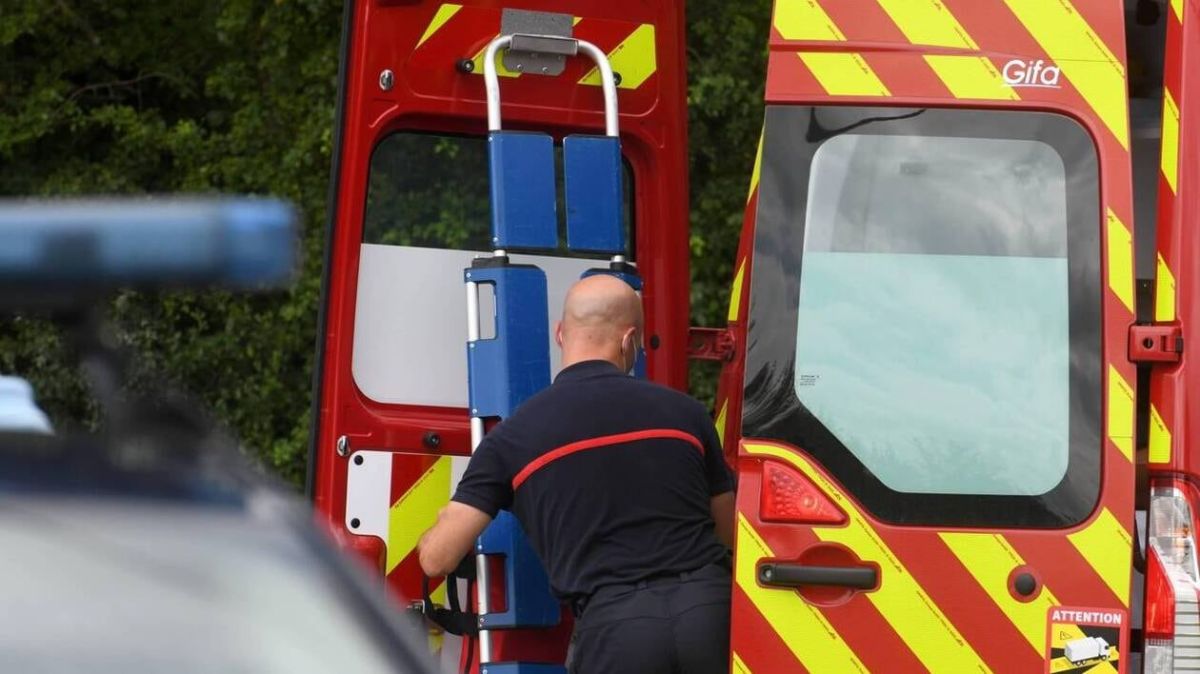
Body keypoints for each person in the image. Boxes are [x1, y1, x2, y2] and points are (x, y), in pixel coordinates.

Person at [418, 274, 735, 674]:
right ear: (629, 341)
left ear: (559, 334)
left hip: (616, 631)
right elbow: (727, 530)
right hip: (711, 616)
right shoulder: (685, 413)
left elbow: (438, 558)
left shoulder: (514, 438)